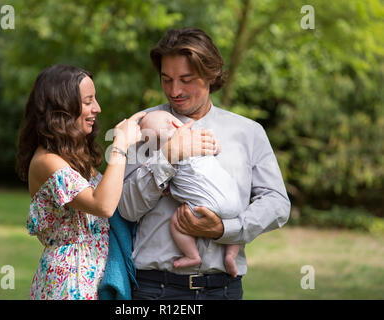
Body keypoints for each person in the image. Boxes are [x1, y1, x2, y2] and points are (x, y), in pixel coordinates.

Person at [118, 27, 291, 300]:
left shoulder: (248, 132)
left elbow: (277, 204)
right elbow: (126, 208)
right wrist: (168, 157)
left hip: (224, 289)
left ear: (211, 75)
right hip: (155, 289)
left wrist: (225, 230)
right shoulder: (145, 127)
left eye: (186, 79)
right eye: (166, 79)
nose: (174, 91)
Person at [15, 64, 147, 300]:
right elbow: (103, 205)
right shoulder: (47, 161)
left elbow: (114, 193)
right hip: (70, 283)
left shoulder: (74, 157)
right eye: (88, 101)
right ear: (62, 108)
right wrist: (119, 145)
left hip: (91, 276)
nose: (97, 108)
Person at [139, 110, 241, 277]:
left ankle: (192, 255)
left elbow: (161, 181)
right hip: (234, 201)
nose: (156, 150)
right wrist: (215, 146)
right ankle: (230, 255)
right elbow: (216, 146)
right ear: (177, 124)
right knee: (236, 223)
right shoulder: (199, 137)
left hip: (206, 206)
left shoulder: (168, 158)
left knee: (177, 222)